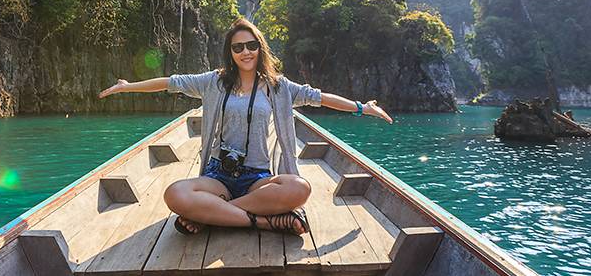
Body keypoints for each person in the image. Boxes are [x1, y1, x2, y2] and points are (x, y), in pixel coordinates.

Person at [97, 17, 393, 236]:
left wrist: (361, 108)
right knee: (175, 194)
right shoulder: (213, 81)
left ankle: (213, 214)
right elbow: (169, 83)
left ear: (260, 48)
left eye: (251, 45)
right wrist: (127, 86)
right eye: (238, 47)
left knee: (298, 188)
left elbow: (320, 98)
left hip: (257, 177)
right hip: (219, 175)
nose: (245, 52)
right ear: (231, 52)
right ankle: (262, 221)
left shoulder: (279, 88)